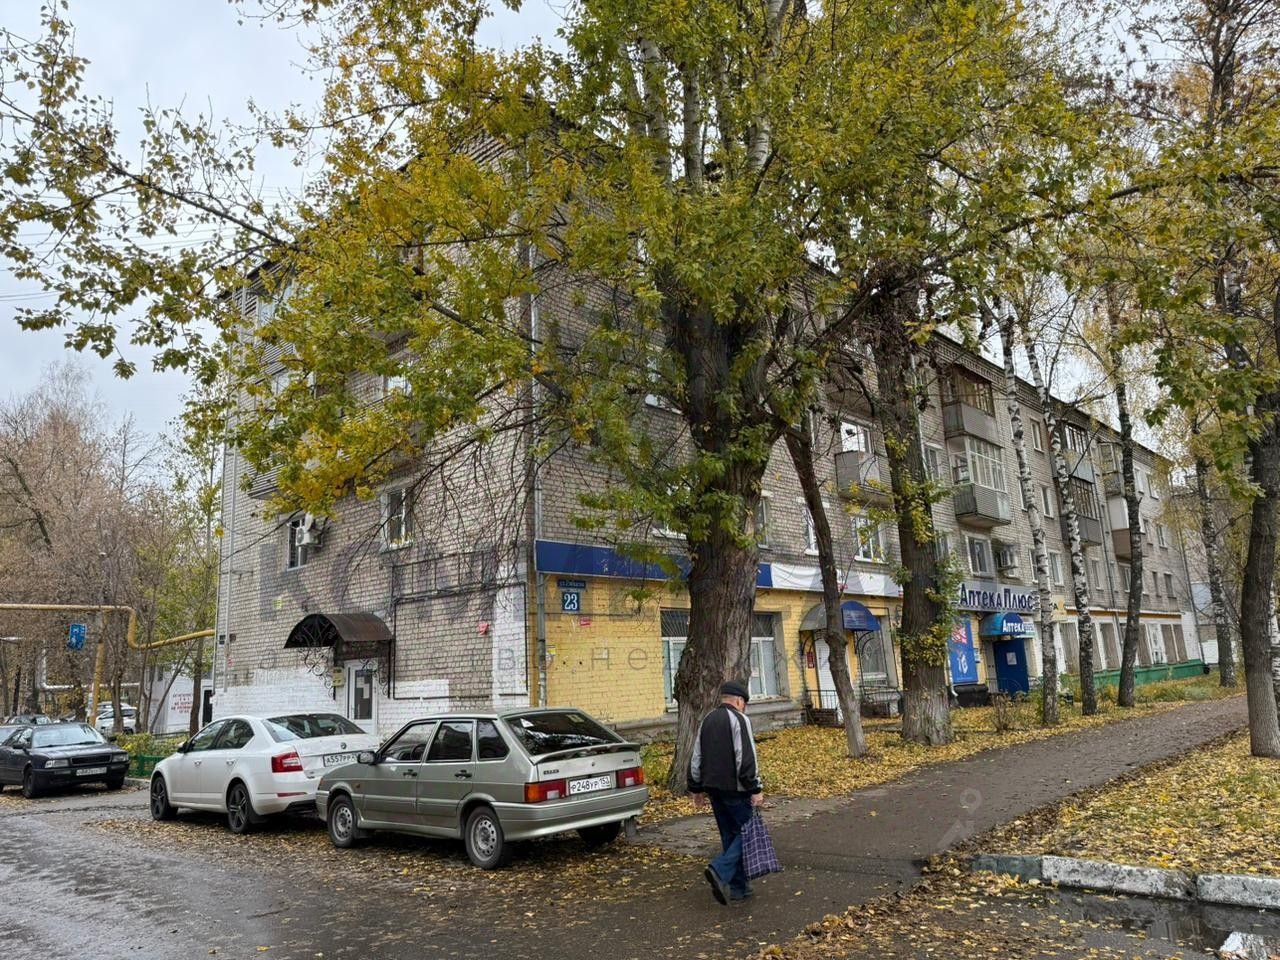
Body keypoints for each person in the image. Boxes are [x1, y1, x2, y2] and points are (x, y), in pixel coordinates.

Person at [688, 680, 764, 905]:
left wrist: (696, 788)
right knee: (749, 833)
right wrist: (755, 788)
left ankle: (739, 888)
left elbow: (696, 756)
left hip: (713, 788)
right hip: (736, 788)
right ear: (739, 701)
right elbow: (746, 757)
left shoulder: (707, 719)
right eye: (744, 704)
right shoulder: (740, 719)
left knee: (730, 836)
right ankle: (719, 869)